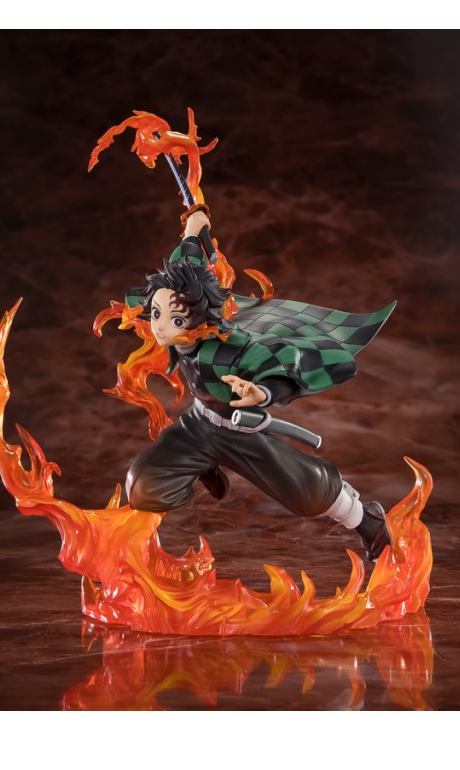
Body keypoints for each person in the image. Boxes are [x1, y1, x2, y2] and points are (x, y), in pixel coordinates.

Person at [123, 206, 395, 562]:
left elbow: (280, 364)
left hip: (240, 432)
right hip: (200, 424)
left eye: (175, 320)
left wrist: (261, 392)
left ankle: (367, 519)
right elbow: (187, 263)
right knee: (144, 485)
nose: (159, 327)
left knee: (307, 492)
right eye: (157, 314)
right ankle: (201, 464)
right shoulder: (179, 302)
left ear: (202, 319)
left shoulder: (229, 349)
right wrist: (194, 226)